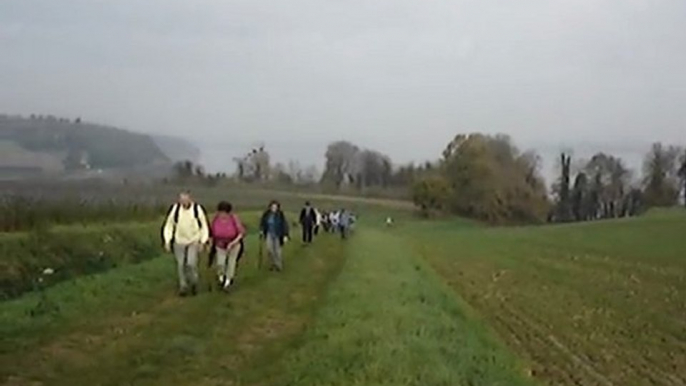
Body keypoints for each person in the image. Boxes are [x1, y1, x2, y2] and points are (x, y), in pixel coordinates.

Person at [162, 191, 209, 296]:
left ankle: (194, 282)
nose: (183, 202)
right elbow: (169, 225)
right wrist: (167, 241)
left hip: (194, 240)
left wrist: (203, 241)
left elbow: (204, 226)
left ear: (190, 199)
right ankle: (183, 286)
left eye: (185, 200)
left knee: (191, 263)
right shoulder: (175, 210)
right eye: (181, 200)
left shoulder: (197, 209)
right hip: (179, 241)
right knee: (180, 264)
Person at [209, 201, 245, 291]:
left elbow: (241, 233)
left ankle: (228, 282)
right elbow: (211, 232)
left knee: (231, 263)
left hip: (234, 244)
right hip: (220, 245)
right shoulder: (215, 219)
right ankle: (221, 277)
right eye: (220, 212)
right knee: (220, 263)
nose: (222, 214)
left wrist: (233, 243)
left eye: (224, 212)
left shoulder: (234, 218)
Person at [260, 200, 289, 271]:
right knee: (269, 249)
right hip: (269, 233)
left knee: (277, 251)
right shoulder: (266, 214)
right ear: (270, 207)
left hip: (278, 234)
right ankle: (272, 264)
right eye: (272, 207)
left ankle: (278, 265)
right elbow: (262, 223)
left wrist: (285, 235)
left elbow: (284, 224)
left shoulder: (280, 214)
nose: (274, 208)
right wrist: (261, 230)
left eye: (275, 207)